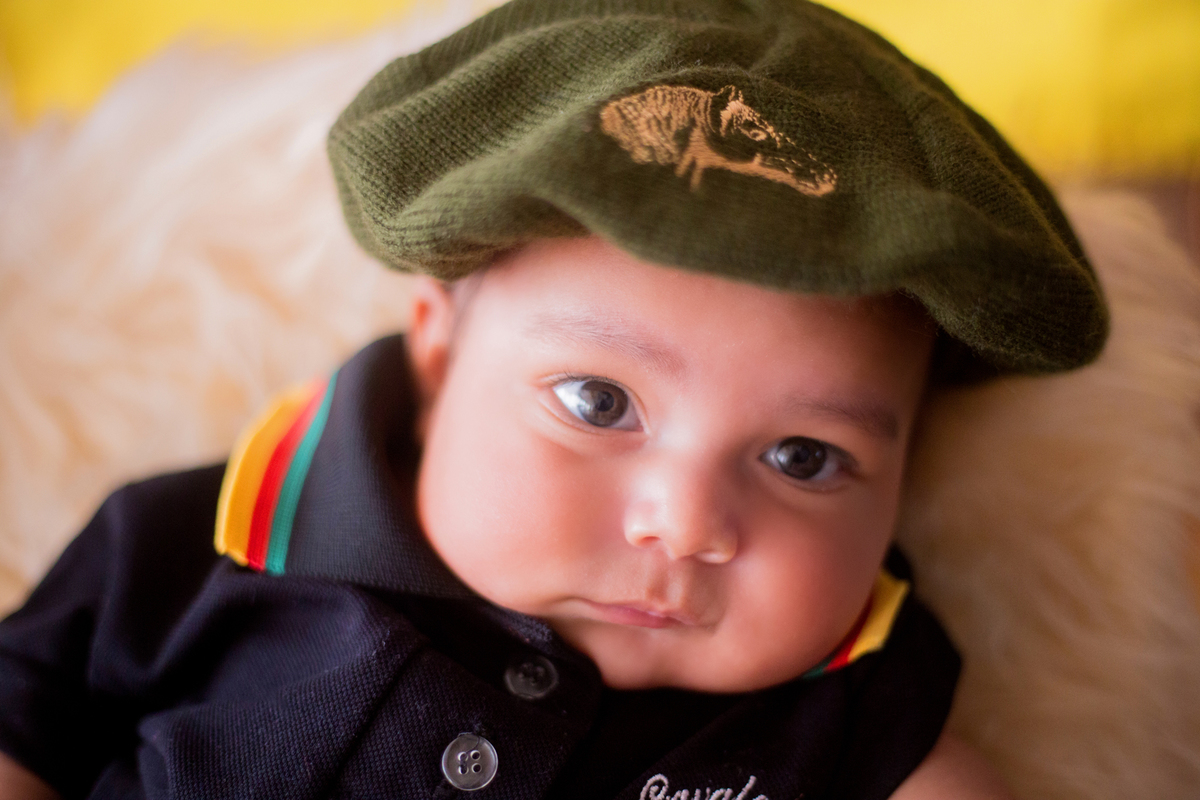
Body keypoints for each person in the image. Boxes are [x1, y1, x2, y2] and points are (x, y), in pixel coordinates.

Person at [0, 1, 1107, 798]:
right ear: (436, 354)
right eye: (597, 399)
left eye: (803, 457)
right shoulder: (205, 544)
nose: (685, 522)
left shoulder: (848, 691)